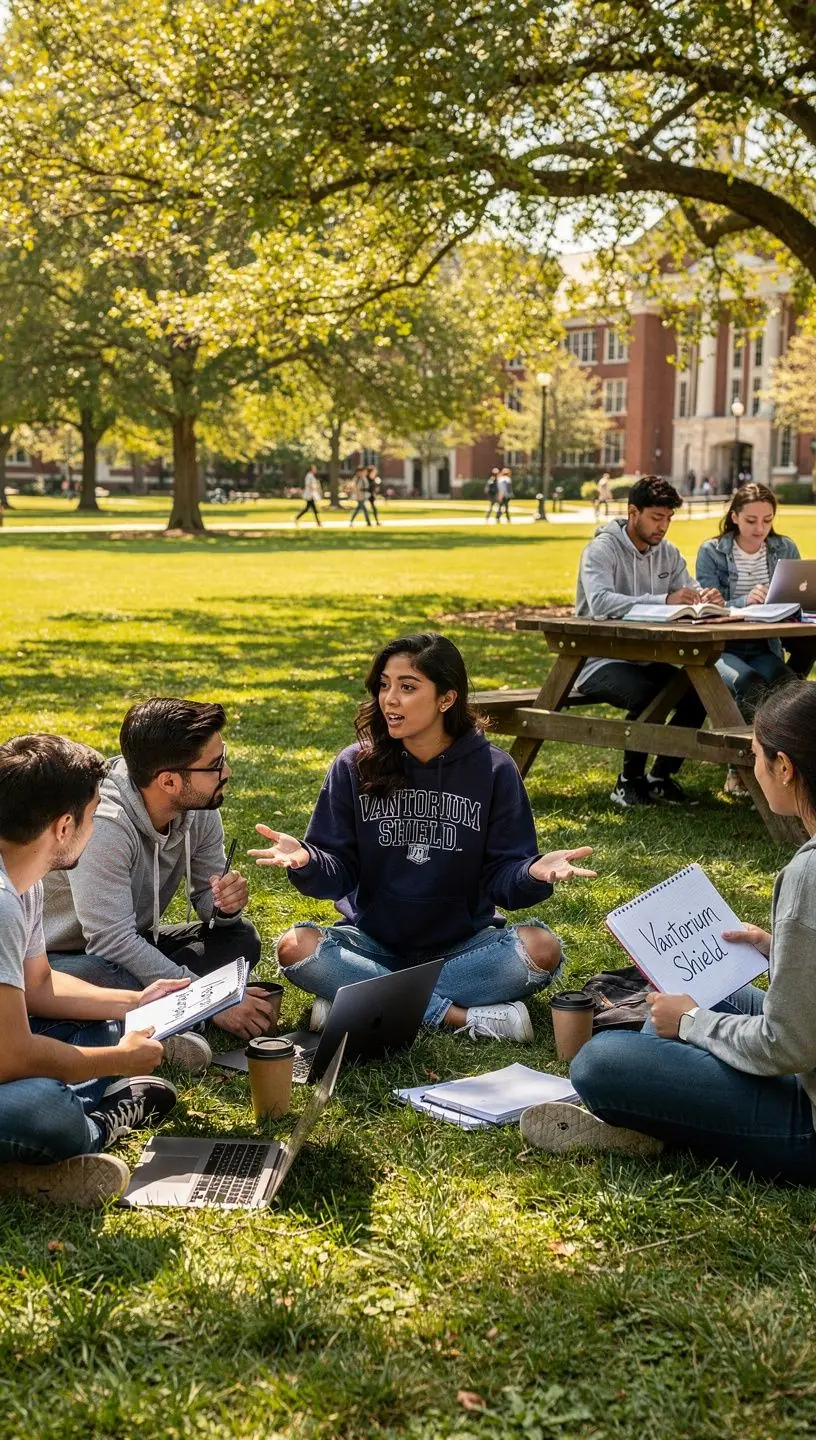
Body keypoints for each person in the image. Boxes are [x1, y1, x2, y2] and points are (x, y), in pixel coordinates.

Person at [521, 680, 816, 1184]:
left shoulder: (808, 875)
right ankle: (655, 1096)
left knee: (599, 1063)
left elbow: (787, 1046)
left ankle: (641, 1113)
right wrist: (780, 948)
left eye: (755, 758)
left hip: (806, 1122)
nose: (752, 771)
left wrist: (691, 1024)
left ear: (784, 767)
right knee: (698, 991)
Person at [251, 633, 596, 1043]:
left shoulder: (494, 770)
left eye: (407, 687)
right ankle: (458, 1017)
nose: (389, 699)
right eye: (384, 684)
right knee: (297, 947)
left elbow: (506, 881)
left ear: (446, 699)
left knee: (541, 948)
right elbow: (336, 873)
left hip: (464, 948)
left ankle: (360, 1001)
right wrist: (308, 861)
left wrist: (533, 874)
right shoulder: (354, 765)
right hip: (372, 943)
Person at [0, 734, 180, 1207]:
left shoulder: (25, 879)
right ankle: (92, 1129)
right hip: (8, 1060)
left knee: (101, 1027)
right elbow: (13, 1056)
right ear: (64, 826)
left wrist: (137, 1003)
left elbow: (38, 984)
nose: (97, 828)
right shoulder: (1, 901)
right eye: (94, 813)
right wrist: (119, 1061)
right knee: (45, 1108)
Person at [45, 699, 272, 1043]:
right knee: (105, 974)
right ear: (168, 781)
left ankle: (157, 1013)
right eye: (214, 765)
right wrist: (208, 999)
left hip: (135, 941)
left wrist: (226, 906)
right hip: (68, 956)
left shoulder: (200, 805)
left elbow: (207, 905)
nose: (226, 772)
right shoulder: (105, 825)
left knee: (241, 938)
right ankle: (177, 1013)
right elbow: (110, 942)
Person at [575, 475, 721, 808]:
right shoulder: (600, 549)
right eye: (657, 517)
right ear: (633, 512)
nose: (663, 526)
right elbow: (601, 603)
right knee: (651, 694)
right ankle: (629, 782)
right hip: (598, 659)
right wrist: (664, 600)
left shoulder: (667, 553)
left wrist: (704, 597)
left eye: (668, 518)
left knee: (698, 694)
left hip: (645, 658)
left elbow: (688, 591)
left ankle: (660, 777)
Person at [696, 482, 799, 794]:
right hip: (721, 647)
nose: (760, 529)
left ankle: (788, 769)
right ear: (735, 517)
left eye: (767, 520)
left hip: (765, 643)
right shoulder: (712, 551)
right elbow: (706, 609)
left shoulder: (784, 548)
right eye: (752, 521)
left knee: (788, 684)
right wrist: (744, 602)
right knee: (749, 683)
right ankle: (740, 771)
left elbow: (798, 596)